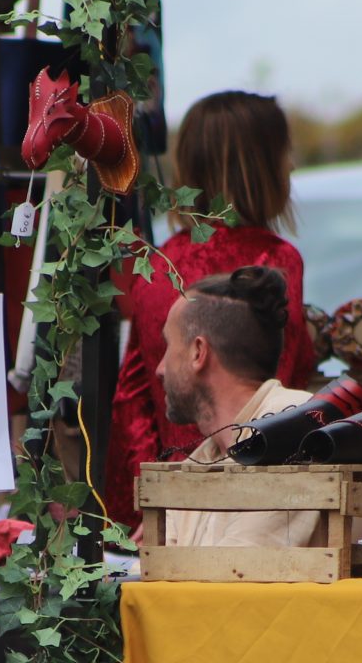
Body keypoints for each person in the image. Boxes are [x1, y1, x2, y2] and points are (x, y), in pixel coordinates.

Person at [104, 91, 317, 534]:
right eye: (284, 154)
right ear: (260, 167)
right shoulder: (275, 260)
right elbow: (278, 386)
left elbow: (134, 398)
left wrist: (145, 504)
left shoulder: (158, 263)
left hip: (172, 497)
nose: (292, 166)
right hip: (257, 496)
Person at [156, 267, 321, 549]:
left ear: (198, 352)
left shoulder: (294, 425)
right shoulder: (202, 458)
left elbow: (237, 575)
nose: (160, 368)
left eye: (168, 346)